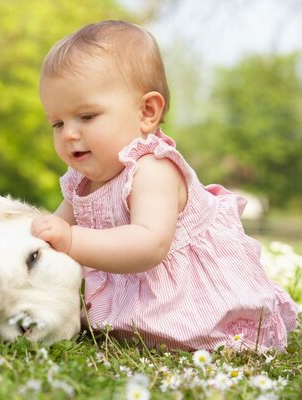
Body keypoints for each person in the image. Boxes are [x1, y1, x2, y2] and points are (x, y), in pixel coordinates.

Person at [31, 20, 298, 351]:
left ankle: (211, 332)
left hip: (190, 296)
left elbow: (148, 244)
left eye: (86, 117)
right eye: (57, 123)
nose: (69, 133)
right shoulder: (80, 182)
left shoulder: (153, 168)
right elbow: (53, 229)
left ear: (147, 112)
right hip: (136, 294)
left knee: (210, 336)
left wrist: (70, 239)